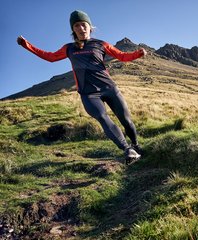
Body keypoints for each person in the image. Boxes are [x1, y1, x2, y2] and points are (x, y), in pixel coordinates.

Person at [17, 10, 147, 164]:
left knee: (126, 121)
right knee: (102, 117)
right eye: (77, 25)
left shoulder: (100, 44)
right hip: (88, 93)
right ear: (73, 29)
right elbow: (50, 57)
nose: (81, 28)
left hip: (109, 89)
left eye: (83, 25)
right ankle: (128, 150)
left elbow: (121, 56)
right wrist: (27, 45)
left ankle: (136, 145)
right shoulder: (69, 48)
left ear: (90, 27)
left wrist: (137, 54)